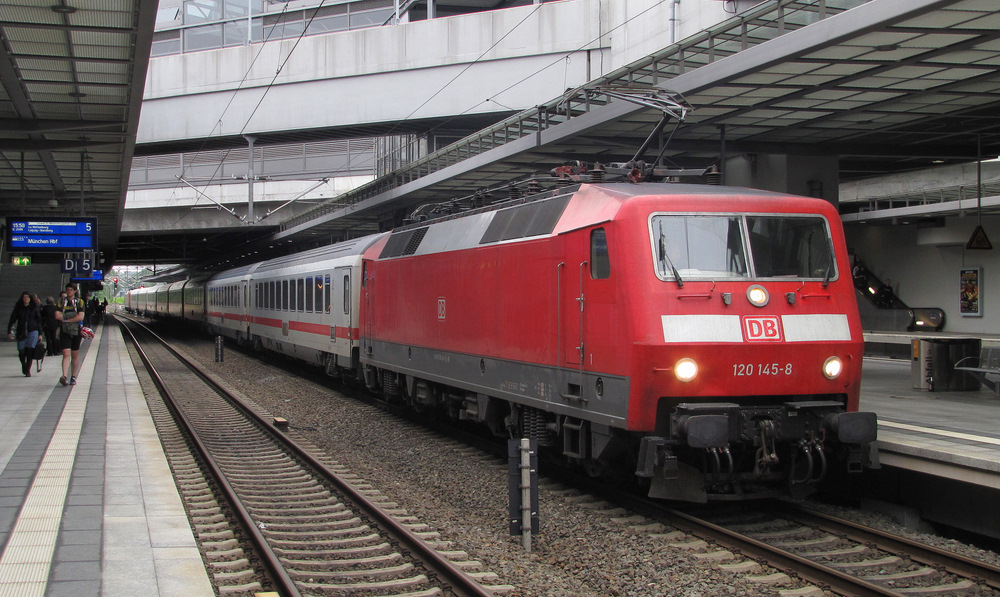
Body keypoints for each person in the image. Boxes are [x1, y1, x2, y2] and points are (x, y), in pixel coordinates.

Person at [55, 283, 85, 386]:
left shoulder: (79, 302)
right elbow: (57, 315)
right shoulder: (61, 301)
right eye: (68, 290)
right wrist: (70, 319)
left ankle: (73, 376)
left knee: (75, 354)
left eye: (71, 290)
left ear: (75, 291)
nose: (69, 292)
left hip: (76, 331)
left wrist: (66, 319)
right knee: (66, 353)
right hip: (65, 331)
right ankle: (64, 376)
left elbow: (81, 317)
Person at [7, 291, 43, 377]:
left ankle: (28, 369)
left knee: (30, 350)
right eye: (24, 297)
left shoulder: (34, 308)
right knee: (21, 351)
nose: (26, 299)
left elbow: (39, 321)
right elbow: (12, 320)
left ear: (30, 299)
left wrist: (40, 333)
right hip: (21, 330)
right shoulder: (18, 308)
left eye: (27, 297)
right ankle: (24, 365)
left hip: (33, 330)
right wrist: (9, 331)